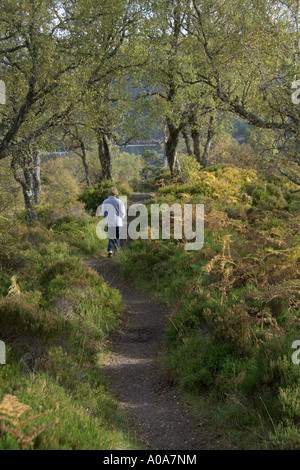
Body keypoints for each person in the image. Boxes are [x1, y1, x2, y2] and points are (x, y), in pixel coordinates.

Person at [101, 187, 126, 258]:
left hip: (110, 222)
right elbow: (122, 213)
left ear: (109, 193)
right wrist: (120, 218)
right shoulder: (119, 202)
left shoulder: (105, 201)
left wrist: (107, 218)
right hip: (118, 222)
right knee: (117, 237)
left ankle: (110, 251)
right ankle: (116, 252)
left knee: (111, 236)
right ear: (116, 193)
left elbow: (103, 213)